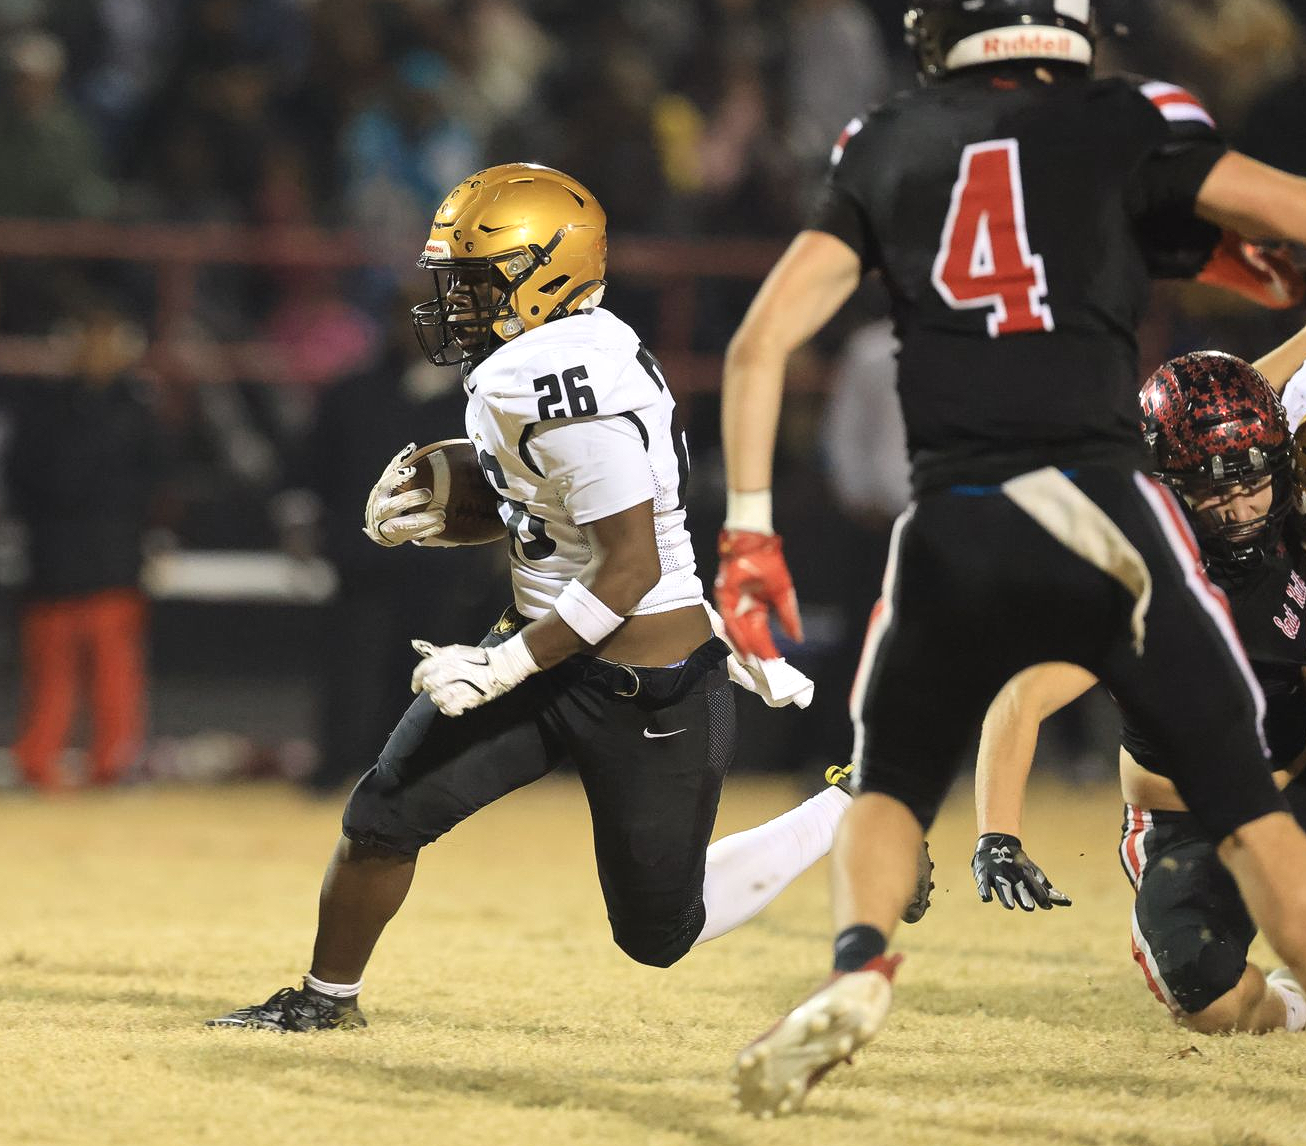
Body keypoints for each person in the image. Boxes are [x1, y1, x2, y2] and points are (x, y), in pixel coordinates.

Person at [714, 0, 1306, 1116]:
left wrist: (748, 528)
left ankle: (857, 964)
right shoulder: (1127, 118)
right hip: (1102, 495)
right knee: (1246, 801)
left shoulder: (886, 139)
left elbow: (757, 344)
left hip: (956, 509)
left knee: (890, 781)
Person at [207, 163, 931, 1033]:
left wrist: (502, 666)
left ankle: (852, 807)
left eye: (476, 282)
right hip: (553, 639)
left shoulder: (553, 375)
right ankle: (325, 1002)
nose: (453, 304)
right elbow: (560, 510)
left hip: (643, 679)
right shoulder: (546, 353)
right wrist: (462, 502)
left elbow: (627, 568)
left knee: (660, 930)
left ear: (545, 273)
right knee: (384, 814)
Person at [971, 340, 1306, 1037]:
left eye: (1252, 480)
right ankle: (1291, 1007)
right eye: (1212, 490)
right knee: (1206, 994)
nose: (1240, 507)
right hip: (1188, 824)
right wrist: (997, 834)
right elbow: (1021, 698)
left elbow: (1243, 399)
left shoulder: (1284, 496)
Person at [6, 302, 165, 790]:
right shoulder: (43, 407)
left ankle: (113, 763)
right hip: (55, 559)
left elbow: (158, 481)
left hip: (112, 558)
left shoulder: (137, 408)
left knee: (115, 674)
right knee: (50, 673)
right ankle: (38, 761)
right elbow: (24, 478)